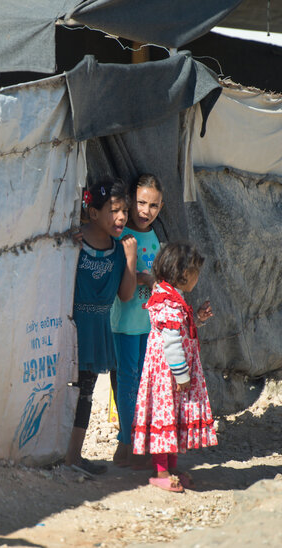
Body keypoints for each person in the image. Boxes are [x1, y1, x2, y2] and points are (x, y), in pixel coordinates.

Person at [133, 242, 218, 492]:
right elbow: (171, 343)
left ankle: (169, 467)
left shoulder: (172, 298)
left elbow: (181, 331)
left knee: (171, 417)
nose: (197, 278)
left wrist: (198, 319)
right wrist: (181, 374)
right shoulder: (168, 303)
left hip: (171, 376)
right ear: (182, 274)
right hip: (168, 377)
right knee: (164, 416)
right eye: (195, 273)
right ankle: (161, 471)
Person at [66, 178, 137, 475]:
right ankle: (58, 452)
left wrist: (131, 259)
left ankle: (73, 455)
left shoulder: (119, 250)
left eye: (125, 211)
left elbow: (125, 294)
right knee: (64, 389)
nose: (121, 217)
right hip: (71, 327)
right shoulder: (75, 241)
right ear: (93, 212)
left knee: (86, 390)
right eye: (114, 210)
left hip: (97, 330)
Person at [109, 174, 164, 469]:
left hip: (147, 324)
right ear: (131, 201)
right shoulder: (122, 234)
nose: (146, 210)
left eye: (153, 205)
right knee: (129, 383)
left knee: (143, 384)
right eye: (141, 202)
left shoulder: (154, 237)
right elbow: (117, 274)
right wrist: (146, 278)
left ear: (161, 206)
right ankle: (128, 443)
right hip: (124, 323)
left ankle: (133, 442)